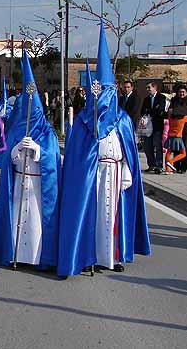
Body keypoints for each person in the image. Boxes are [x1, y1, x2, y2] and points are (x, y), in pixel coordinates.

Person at [57, 24, 150, 278]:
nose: (107, 96)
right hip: (94, 175)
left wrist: (128, 170)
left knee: (113, 215)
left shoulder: (122, 120)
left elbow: (128, 149)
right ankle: (87, 255)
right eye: (103, 91)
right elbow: (77, 156)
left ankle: (113, 256)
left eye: (111, 90)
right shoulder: (85, 121)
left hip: (115, 172)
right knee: (92, 214)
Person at [0, 50, 61, 270]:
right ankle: (16, 254)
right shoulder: (15, 131)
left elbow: (53, 159)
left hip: (38, 185)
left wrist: (38, 149)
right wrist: (17, 149)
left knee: (37, 221)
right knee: (18, 220)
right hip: (20, 181)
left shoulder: (48, 133)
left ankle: (39, 257)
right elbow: (7, 158)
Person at [167, 84, 187, 173]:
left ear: (186, 92)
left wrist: (176, 111)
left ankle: (183, 167)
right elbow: (170, 111)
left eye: (183, 92)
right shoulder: (174, 100)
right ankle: (176, 165)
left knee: (185, 146)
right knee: (176, 146)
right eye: (180, 92)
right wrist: (176, 112)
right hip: (176, 127)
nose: (181, 94)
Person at [140, 82, 167, 174]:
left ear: (154, 87)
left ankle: (159, 165)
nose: (147, 90)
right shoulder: (146, 99)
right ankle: (151, 164)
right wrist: (151, 111)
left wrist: (151, 112)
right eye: (147, 88)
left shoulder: (161, 97)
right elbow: (143, 111)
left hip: (157, 126)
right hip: (147, 126)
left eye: (149, 87)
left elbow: (160, 110)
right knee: (148, 146)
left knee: (157, 145)